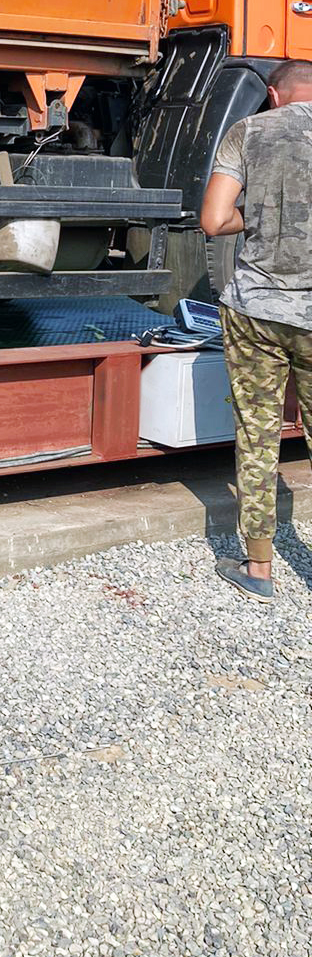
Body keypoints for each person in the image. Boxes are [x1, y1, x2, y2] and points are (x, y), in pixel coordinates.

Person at [200, 59, 312, 602]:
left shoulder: (248, 130)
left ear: (273, 94)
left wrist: (262, 215)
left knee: (258, 435)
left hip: (257, 311)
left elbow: (215, 220)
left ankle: (259, 570)